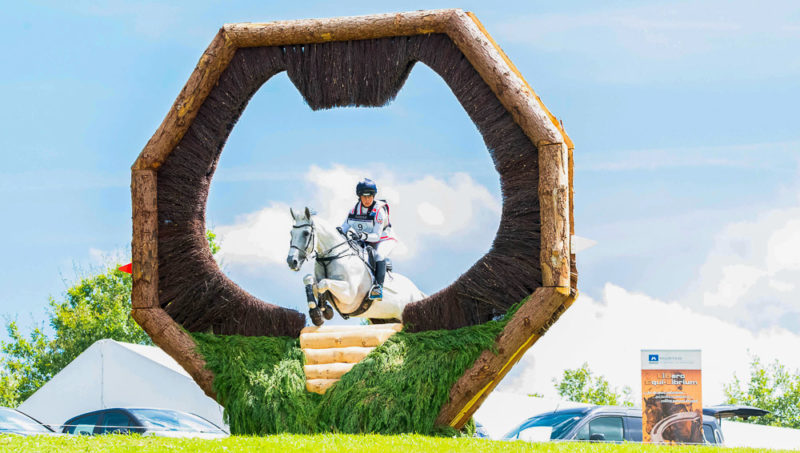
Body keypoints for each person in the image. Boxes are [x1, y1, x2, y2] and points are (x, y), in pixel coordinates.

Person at [340, 178, 396, 300]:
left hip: (384, 239)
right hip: (366, 239)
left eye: (370, 196)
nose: (367, 199)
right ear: (359, 197)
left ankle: (378, 288)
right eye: (364, 196)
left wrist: (361, 236)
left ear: (374, 195)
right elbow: (343, 228)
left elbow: (376, 236)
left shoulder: (379, 210)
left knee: (379, 255)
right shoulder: (354, 211)